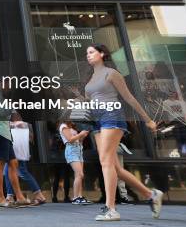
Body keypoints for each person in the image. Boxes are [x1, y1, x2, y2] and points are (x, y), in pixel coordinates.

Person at [85, 44, 163, 221]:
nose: (88, 56)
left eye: (91, 52)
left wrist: (147, 120)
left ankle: (111, 209)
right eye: (87, 53)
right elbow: (91, 100)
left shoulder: (111, 73)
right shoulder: (90, 78)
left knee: (106, 162)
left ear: (102, 54)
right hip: (96, 120)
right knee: (115, 167)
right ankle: (151, 195)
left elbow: (129, 98)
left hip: (112, 115)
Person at [0, 85, 30, 208]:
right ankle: (0, 198)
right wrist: (12, 105)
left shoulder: (2, 95)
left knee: (13, 163)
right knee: (0, 163)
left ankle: (20, 197)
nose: (9, 86)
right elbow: (3, 111)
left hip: (5, 133)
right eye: (7, 82)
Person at [4, 118, 47, 205]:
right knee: (13, 170)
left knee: (17, 171)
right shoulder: (23, 122)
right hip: (19, 149)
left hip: (16, 148)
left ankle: (11, 196)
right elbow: (30, 137)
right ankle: (11, 196)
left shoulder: (15, 121)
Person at [58, 120, 91, 204]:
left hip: (79, 149)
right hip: (72, 150)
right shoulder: (63, 126)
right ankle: (76, 197)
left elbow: (78, 141)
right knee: (79, 174)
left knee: (79, 175)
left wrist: (82, 136)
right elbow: (70, 140)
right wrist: (80, 134)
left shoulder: (72, 126)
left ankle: (79, 196)